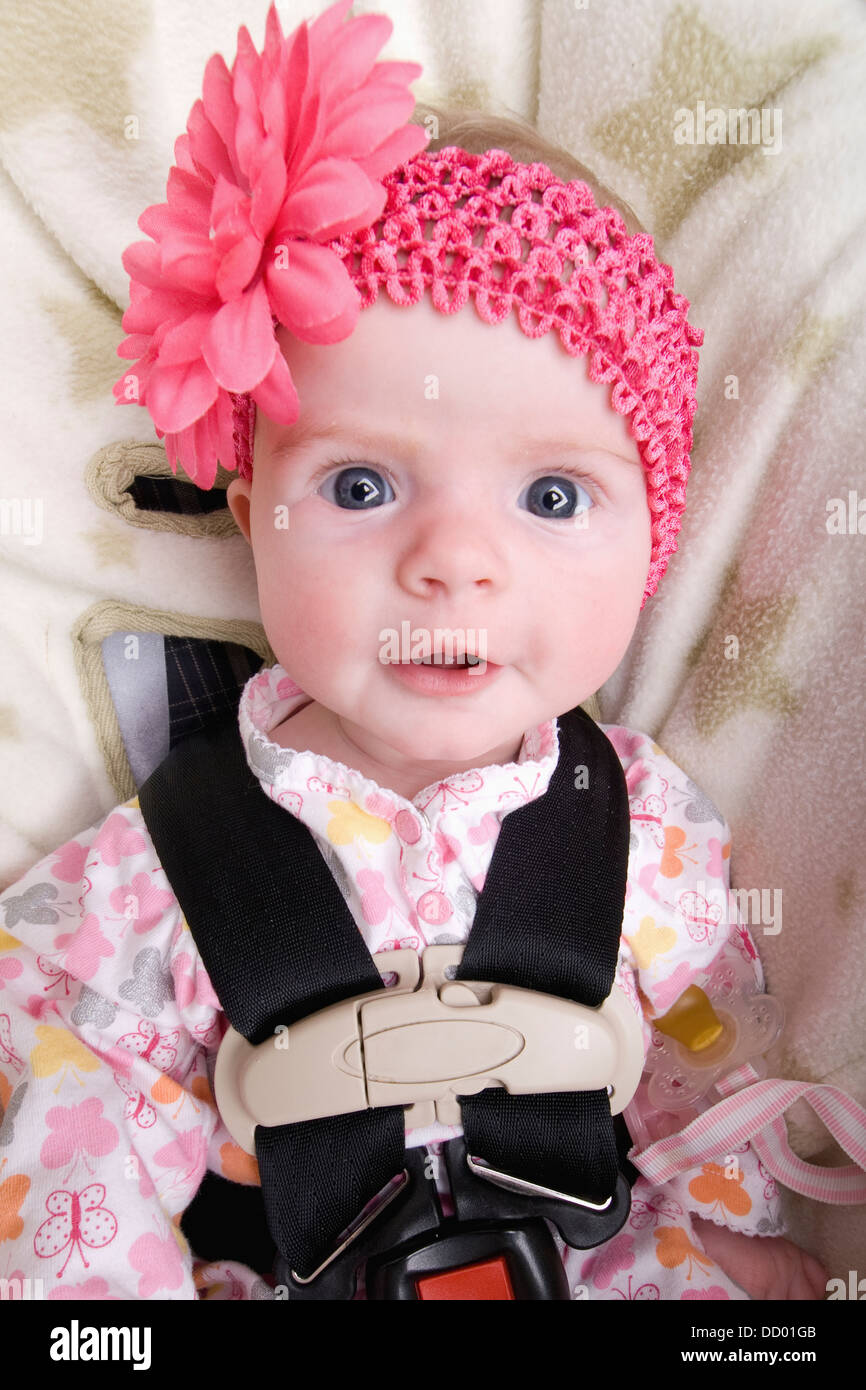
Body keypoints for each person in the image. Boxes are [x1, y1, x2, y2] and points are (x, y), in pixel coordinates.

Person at [0, 0, 851, 1301]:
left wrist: (718, 1250)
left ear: (652, 542)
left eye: (551, 498)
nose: (453, 561)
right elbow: (65, 1082)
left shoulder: (645, 829)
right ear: (250, 516)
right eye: (357, 487)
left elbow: (702, 1046)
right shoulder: (162, 866)